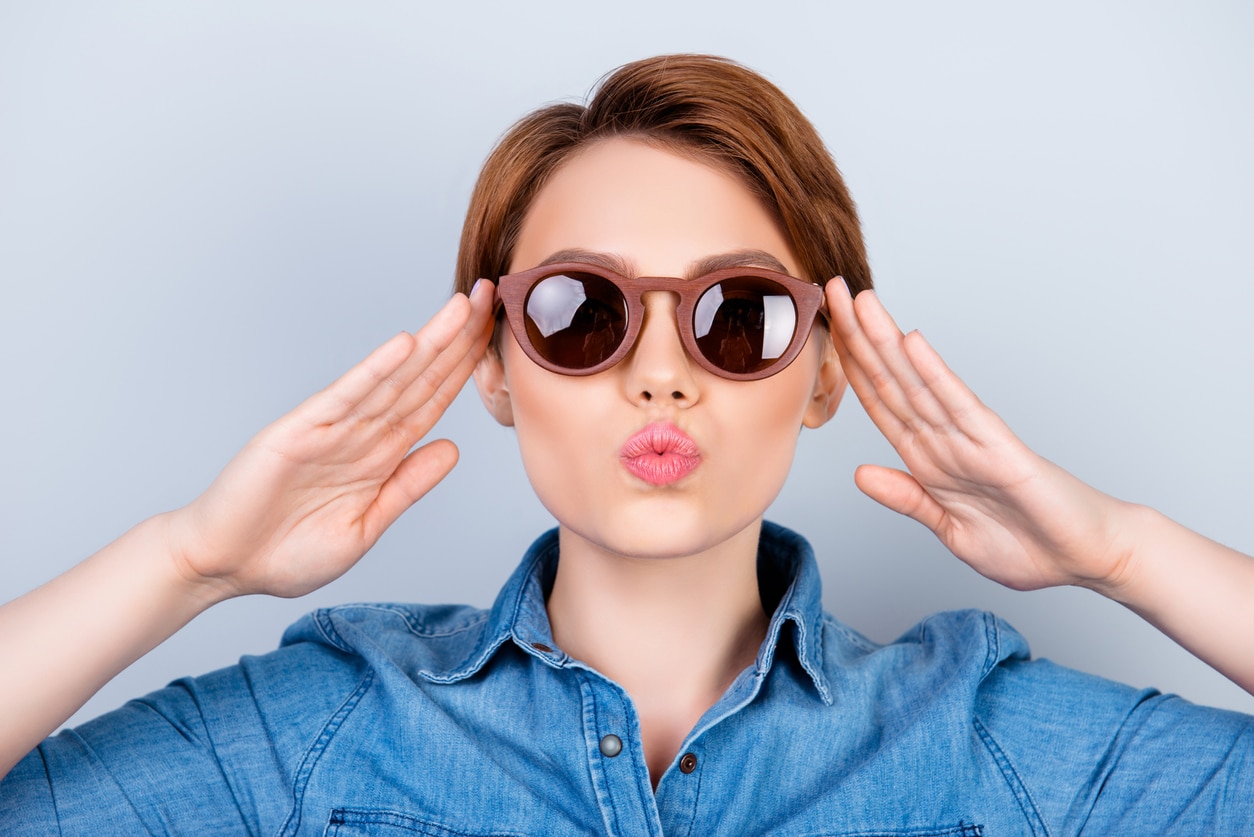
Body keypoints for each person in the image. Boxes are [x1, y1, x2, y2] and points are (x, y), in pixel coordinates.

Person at [1, 54, 1251, 834]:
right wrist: (191, 563)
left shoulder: (976, 734)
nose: (659, 374)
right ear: (491, 368)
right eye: (580, 311)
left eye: (739, 315)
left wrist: (1121, 552)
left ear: (827, 375)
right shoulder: (330, 720)